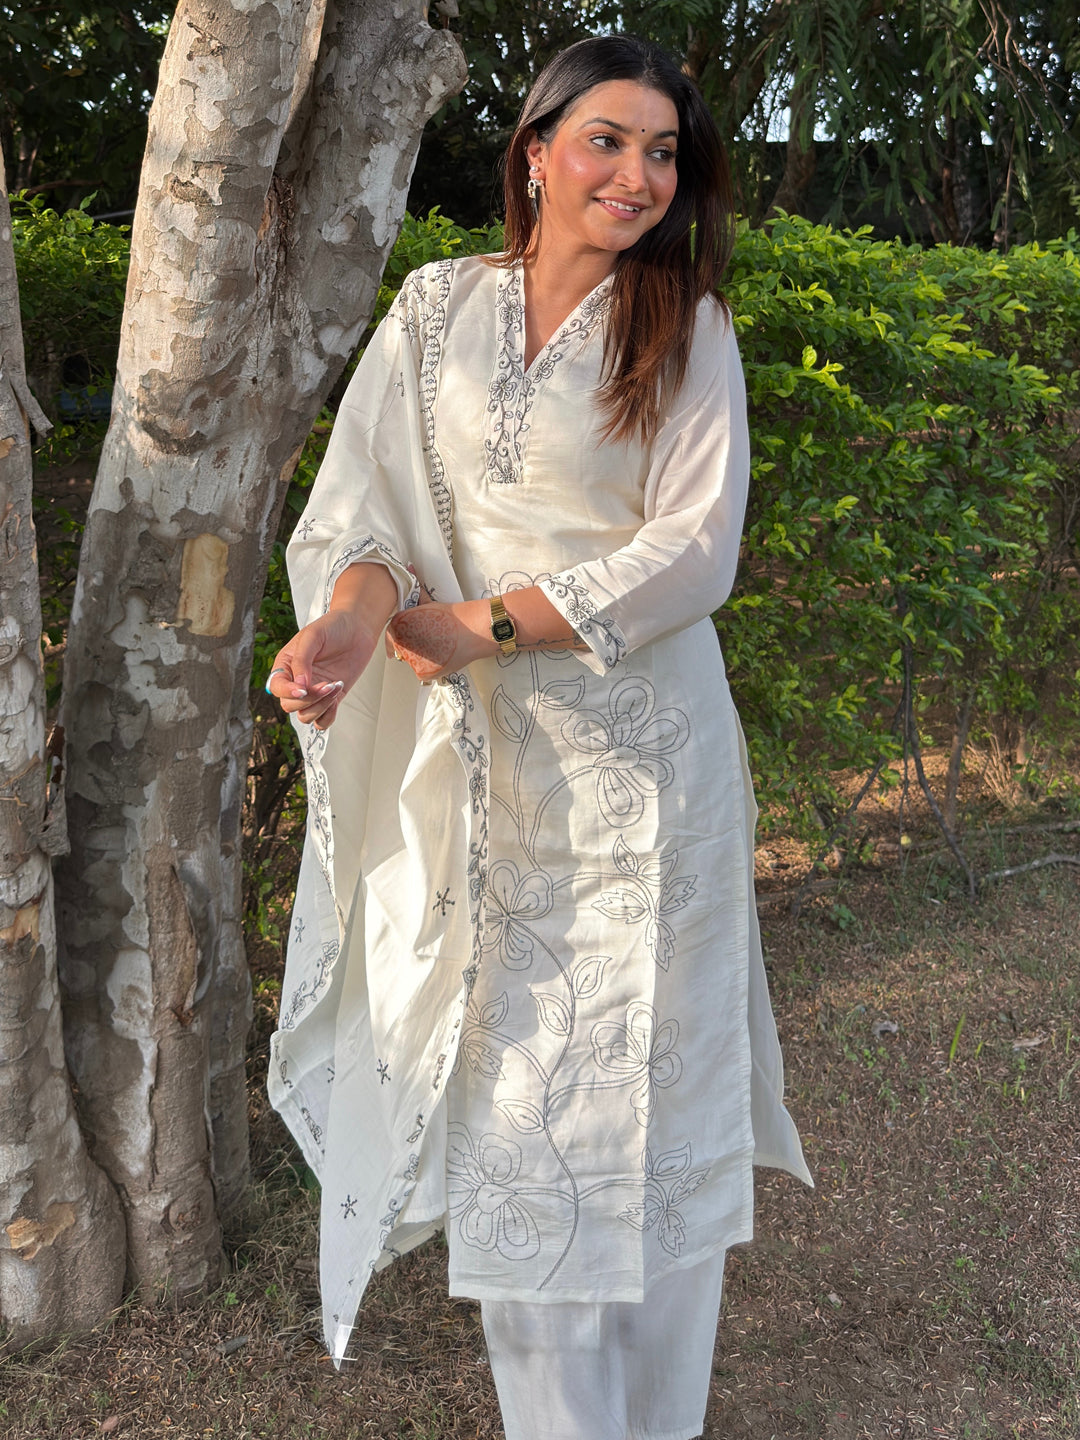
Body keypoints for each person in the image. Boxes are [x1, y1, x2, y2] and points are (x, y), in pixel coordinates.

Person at [265, 33, 812, 1440]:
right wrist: (350, 625)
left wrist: (486, 623)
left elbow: (696, 552)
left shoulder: (684, 326)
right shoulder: (436, 308)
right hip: (487, 782)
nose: (637, 175)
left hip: (649, 780)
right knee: (520, 1140)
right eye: (607, 140)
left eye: (663, 152)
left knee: (653, 1124)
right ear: (536, 151)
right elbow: (367, 512)